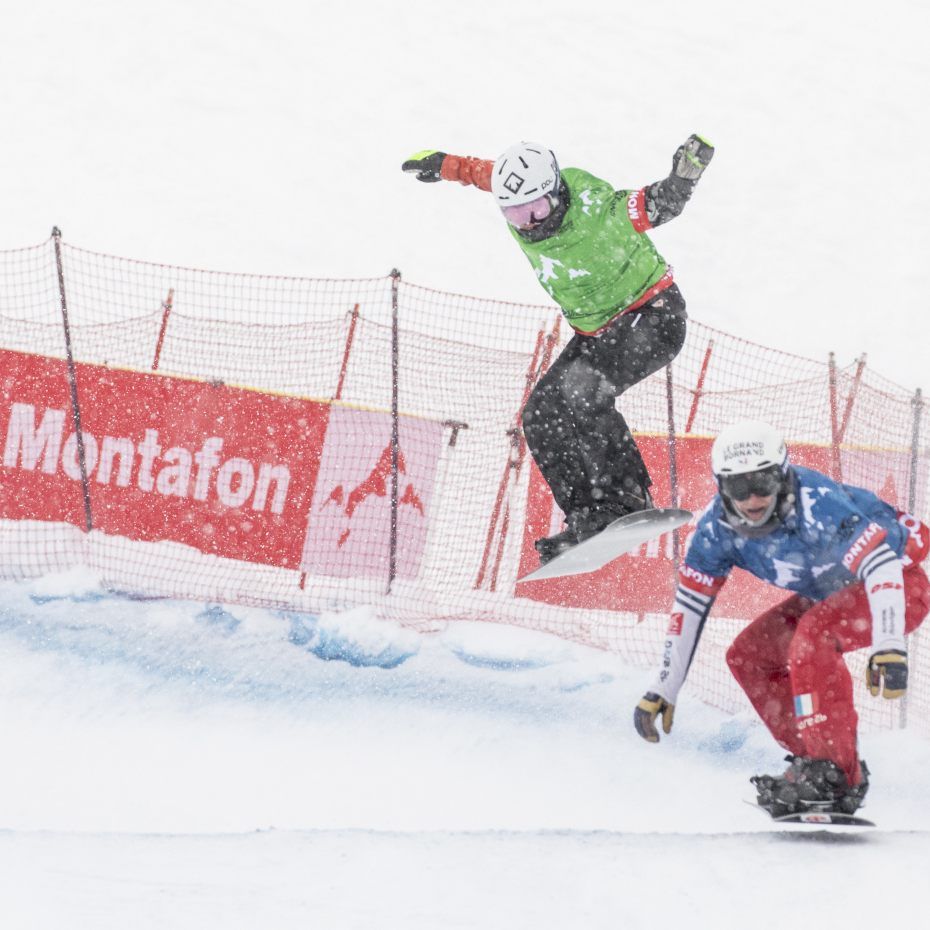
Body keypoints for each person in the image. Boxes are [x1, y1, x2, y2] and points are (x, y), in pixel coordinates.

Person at [402, 136, 713, 563]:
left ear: (556, 191)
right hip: (598, 331)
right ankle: (587, 515)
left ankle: (627, 499)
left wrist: (684, 176)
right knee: (541, 414)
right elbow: (483, 174)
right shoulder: (520, 199)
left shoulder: (595, 205)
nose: (529, 222)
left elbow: (660, 205)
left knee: (585, 392)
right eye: (514, 213)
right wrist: (443, 165)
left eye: (536, 210)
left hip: (653, 315)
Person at [633, 420, 930, 816]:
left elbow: (881, 566)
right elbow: (688, 608)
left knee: (814, 636)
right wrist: (663, 688)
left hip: (899, 584)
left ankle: (835, 773)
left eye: (765, 482)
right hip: (834, 592)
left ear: (784, 474)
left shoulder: (818, 504)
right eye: (739, 487)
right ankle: (816, 765)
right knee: (749, 656)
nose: (753, 498)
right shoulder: (713, 531)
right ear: (721, 486)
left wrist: (890, 646)